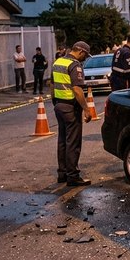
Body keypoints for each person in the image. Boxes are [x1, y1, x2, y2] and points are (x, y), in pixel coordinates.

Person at [51, 41, 93, 186]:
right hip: (70, 107)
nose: (85, 59)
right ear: (80, 52)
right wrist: (87, 109)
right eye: (85, 56)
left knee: (62, 141)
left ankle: (62, 174)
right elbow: (77, 89)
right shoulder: (75, 65)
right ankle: (73, 176)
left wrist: (55, 102)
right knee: (73, 143)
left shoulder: (58, 62)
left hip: (59, 105)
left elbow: (52, 85)